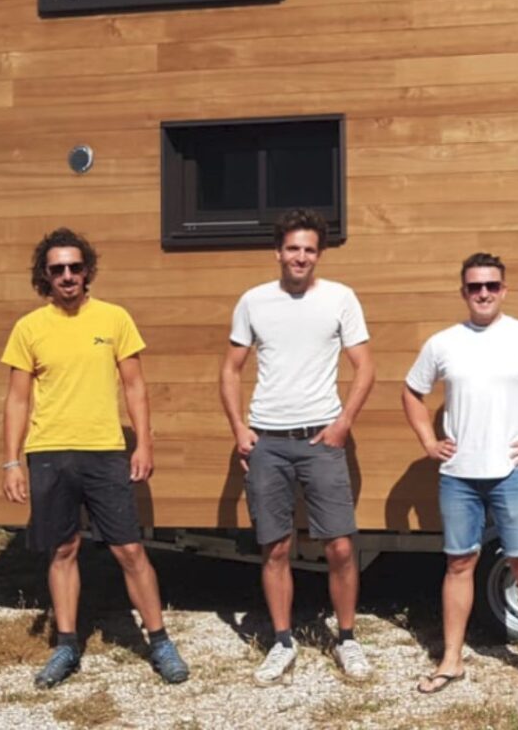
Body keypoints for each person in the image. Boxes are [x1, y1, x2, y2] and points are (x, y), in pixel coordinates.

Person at [1, 227, 188, 689]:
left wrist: (143, 443)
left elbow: (135, 387)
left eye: (75, 267)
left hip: (105, 451)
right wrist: (11, 462)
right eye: (57, 269)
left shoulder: (114, 319)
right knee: (63, 549)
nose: (67, 276)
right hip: (48, 452)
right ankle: (66, 645)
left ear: (88, 272)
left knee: (129, 548)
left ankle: (160, 642)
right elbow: (17, 401)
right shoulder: (29, 328)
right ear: (44, 276)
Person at [402, 252, 518, 703]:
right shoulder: (444, 343)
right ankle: (451, 659)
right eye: (474, 287)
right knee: (458, 564)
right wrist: (429, 441)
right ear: (463, 291)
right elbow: (411, 390)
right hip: (458, 477)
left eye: (491, 286)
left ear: (504, 290)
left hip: (513, 474)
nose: (482, 293)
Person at [219, 208, 376, 686]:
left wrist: (343, 423)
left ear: (319, 254)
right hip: (267, 441)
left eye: (309, 249)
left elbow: (365, 367)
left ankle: (346, 637)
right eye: (293, 248)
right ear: (278, 252)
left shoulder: (340, 299)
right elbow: (230, 369)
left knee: (342, 547)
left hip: (321, 438)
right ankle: (282, 641)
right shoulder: (253, 302)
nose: (300, 257)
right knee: (275, 548)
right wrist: (239, 429)